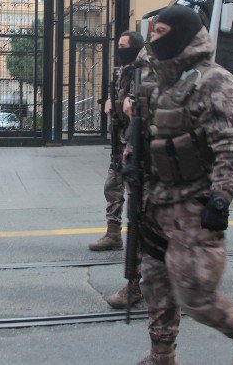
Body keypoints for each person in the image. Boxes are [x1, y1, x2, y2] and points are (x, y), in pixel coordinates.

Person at [130, 5, 233, 365]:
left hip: (193, 206)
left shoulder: (214, 80)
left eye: (161, 32)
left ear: (182, 34)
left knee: (196, 296)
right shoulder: (157, 81)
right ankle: (161, 355)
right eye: (153, 32)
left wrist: (220, 200)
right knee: (155, 284)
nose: (153, 39)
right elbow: (146, 136)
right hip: (153, 203)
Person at [89, 30, 147, 309]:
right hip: (121, 141)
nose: (119, 50)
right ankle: (113, 233)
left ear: (135, 48)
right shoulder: (122, 71)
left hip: (136, 145)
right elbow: (120, 98)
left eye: (124, 46)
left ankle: (143, 282)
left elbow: (143, 105)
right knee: (112, 187)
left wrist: (128, 107)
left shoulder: (145, 71)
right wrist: (111, 104)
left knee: (142, 212)